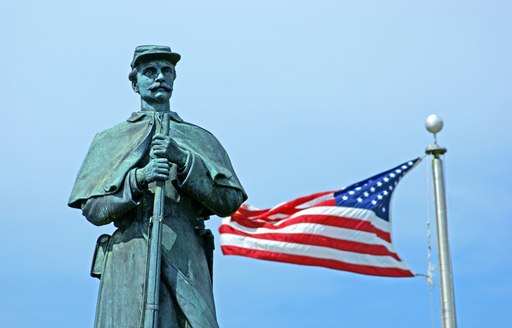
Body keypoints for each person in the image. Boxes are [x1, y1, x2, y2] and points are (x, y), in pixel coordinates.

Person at [68, 45, 247, 328]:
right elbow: (94, 210)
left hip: (186, 251)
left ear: (175, 79)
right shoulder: (110, 139)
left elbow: (229, 200)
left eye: (166, 71)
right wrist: (139, 179)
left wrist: (185, 160)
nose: (159, 77)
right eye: (150, 71)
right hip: (131, 251)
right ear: (135, 83)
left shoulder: (200, 138)